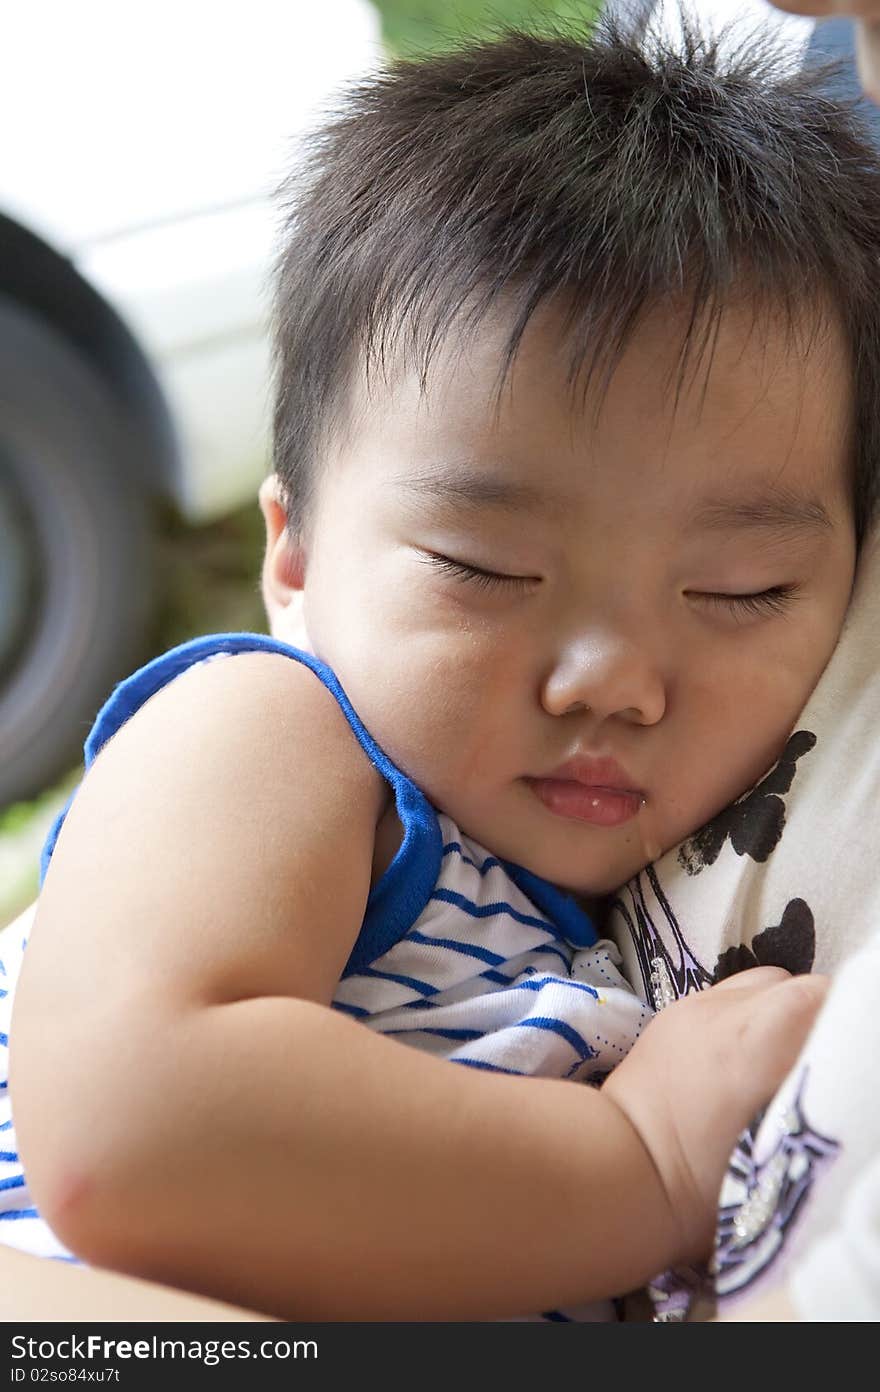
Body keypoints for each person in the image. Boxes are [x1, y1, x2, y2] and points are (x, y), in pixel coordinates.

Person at [2, 14, 877, 1321]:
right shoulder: (269, 731)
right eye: (486, 570)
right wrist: (639, 1166)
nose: (613, 683)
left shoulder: (600, 931)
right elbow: (130, 1128)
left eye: (737, 592)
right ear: (291, 556)